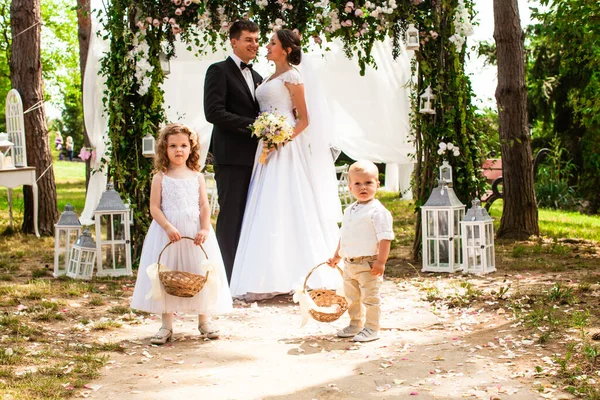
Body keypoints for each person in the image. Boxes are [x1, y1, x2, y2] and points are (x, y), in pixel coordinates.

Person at [229, 29, 342, 301]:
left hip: (286, 147)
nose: (265, 46)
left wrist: (282, 139)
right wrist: (268, 135)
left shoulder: (293, 76)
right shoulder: (267, 77)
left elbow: (304, 119)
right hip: (266, 146)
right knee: (266, 204)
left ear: (286, 49)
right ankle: (267, 273)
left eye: (271, 43)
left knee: (289, 201)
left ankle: (302, 272)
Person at [130, 123, 232, 345]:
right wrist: (167, 226)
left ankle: (204, 321)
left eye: (184, 145)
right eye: (173, 146)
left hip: (194, 233)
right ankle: (166, 325)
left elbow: (204, 205)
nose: (179, 150)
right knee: (167, 275)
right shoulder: (161, 176)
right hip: (168, 233)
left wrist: (205, 228)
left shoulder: (196, 176)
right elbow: (155, 207)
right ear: (164, 149)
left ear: (191, 148)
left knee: (199, 273)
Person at [203, 20, 263, 283]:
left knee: (252, 216)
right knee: (230, 217)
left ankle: (245, 274)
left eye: (257, 40)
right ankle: (224, 278)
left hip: (259, 160)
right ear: (234, 42)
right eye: (248, 39)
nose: (254, 44)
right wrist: (254, 126)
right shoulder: (218, 71)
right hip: (231, 158)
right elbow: (213, 112)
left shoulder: (259, 76)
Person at [327, 160, 394, 343]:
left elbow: (385, 238)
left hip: (368, 263)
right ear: (350, 187)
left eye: (368, 183)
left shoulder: (378, 212)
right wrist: (336, 256)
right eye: (357, 183)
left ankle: (372, 328)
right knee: (352, 297)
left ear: (377, 185)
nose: (362, 187)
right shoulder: (349, 210)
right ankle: (356, 323)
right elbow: (345, 235)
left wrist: (381, 262)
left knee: (370, 298)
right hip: (350, 263)